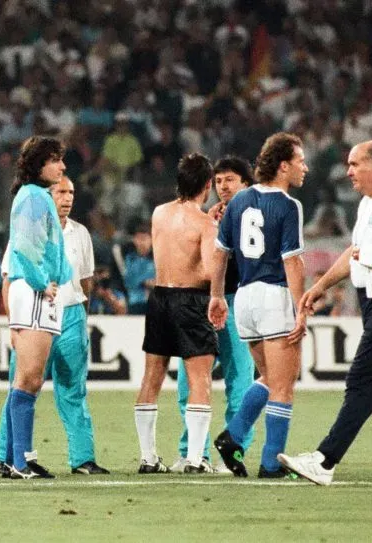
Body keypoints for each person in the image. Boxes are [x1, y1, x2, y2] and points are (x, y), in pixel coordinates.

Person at [0, 175, 109, 476]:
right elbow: (8, 278)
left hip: (70, 314)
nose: (67, 198)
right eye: (61, 192)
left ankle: (83, 458)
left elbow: (85, 280)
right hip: (34, 313)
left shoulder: (80, 233)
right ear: (48, 194)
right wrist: (12, 324)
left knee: (74, 388)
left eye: (71, 192)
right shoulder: (30, 226)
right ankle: (6, 456)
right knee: (23, 385)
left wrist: (82, 317)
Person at [210, 132, 308, 478]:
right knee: (284, 383)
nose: (304, 168)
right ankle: (270, 463)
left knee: (269, 376)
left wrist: (217, 295)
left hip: (245, 298)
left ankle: (233, 436)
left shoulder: (237, 201)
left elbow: (220, 253)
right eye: (300, 161)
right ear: (283, 166)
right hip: (274, 295)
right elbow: (292, 262)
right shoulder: (287, 204)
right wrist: (301, 308)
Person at [279, 140, 372, 485]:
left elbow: (362, 254)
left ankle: (325, 459)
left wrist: (362, 256)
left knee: (362, 383)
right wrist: (319, 287)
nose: (348, 171)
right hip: (369, 302)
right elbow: (354, 251)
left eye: (355, 163)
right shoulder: (366, 205)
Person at [134, 153, 219, 475]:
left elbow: (178, 236)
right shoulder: (205, 224)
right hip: (191, 301)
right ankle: (196, 460)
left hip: (160, 298)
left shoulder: (159, 214)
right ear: (208, 185)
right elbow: (210, 270)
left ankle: (148, 457)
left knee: (152, 377)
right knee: (200, 379)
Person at [171, 156, 256, 472]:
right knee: (188, 381)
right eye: (219, 181)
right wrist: (209, 224)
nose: (223, 186)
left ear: (245, 184)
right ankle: (194, 451)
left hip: (236, 302)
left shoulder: (253, 216)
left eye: (230, 179)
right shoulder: (207, 218)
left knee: (240, 382)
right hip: (199, 302)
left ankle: (233, 453)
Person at [0, 136, 70, 480]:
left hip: (37, 292)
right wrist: (43, 281)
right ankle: (18, 461)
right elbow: (26, 248)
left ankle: (19, 457)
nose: (62, 166)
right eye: (55, 160)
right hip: (32, 292)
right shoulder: (32, 197)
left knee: (31, 379)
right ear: (39, 164)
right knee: (27, 378)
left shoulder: (36, 196)